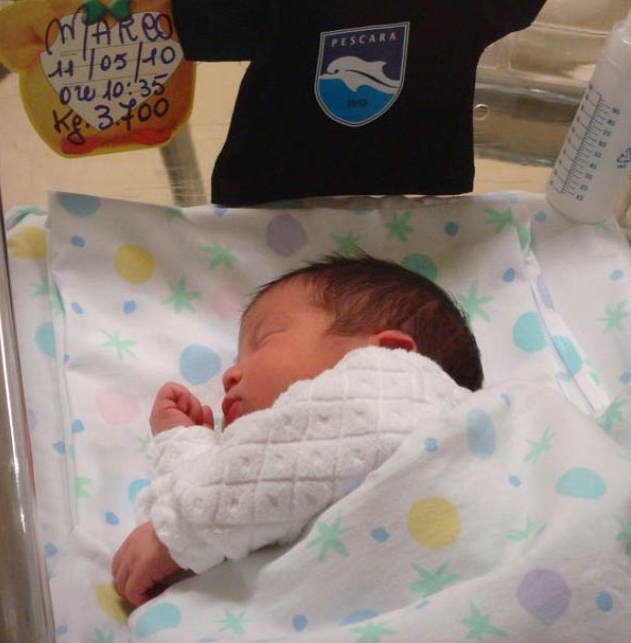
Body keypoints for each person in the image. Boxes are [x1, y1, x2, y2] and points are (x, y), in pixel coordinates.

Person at [110, 253, 483, 607]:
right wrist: (183, 442)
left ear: (388, 351)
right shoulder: (292, 475)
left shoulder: (400, 387)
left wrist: (172, 534)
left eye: (264, 341)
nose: (229, 375)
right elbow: (236, 515)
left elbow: (248, 486)